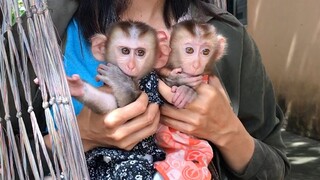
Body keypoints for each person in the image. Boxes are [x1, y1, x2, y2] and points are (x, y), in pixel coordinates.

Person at [1, 0, 290, 179]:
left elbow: (276, 168)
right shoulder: (42, 33)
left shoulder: (223, 37)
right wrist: (79, 136)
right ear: (102, 48)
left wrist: (226, 130)